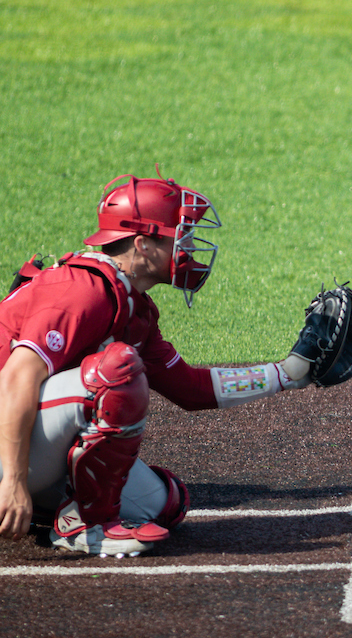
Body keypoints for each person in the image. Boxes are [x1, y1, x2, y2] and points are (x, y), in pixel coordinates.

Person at [0, 174, 321, 557]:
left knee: (162, 505)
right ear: (143, 244)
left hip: (22, 439)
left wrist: (289, 373)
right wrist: (14, 482)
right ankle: (87, 524)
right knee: (116, 371)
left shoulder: (132, 308)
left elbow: (192, 389)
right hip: (8, 447)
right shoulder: (82, 290)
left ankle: (53, 511)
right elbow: (16, 378)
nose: (190, 248)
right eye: (181, 236)